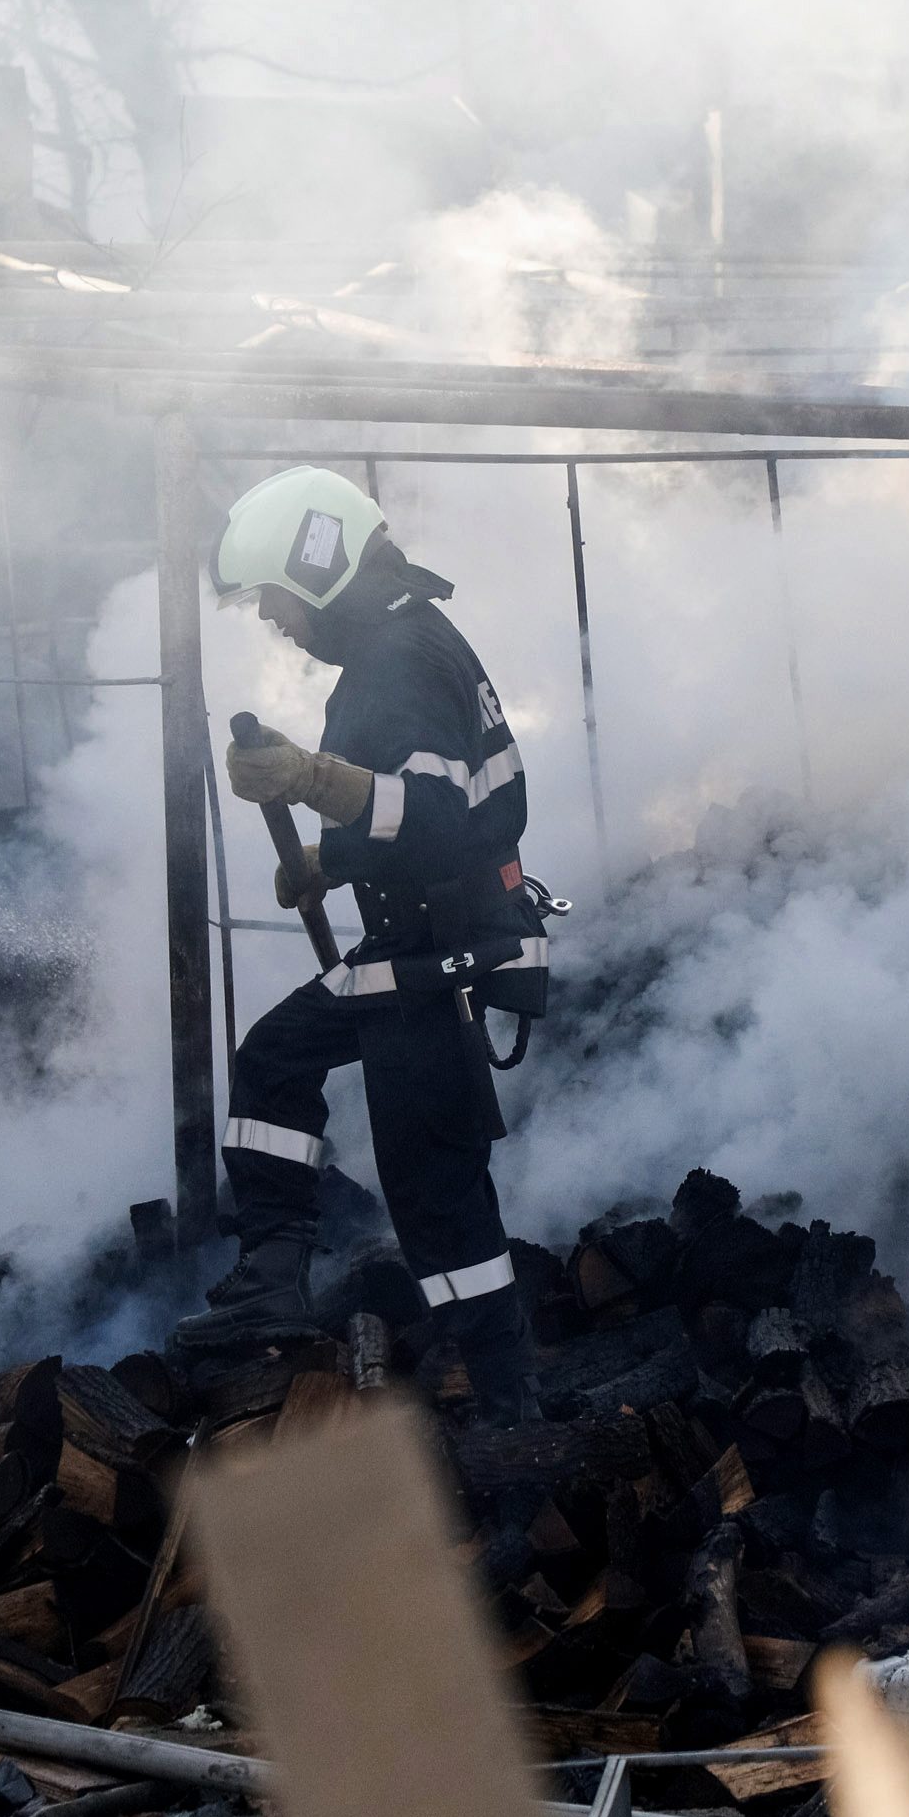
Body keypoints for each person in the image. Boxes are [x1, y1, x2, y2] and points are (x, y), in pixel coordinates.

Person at [183, 467, 552, 1415]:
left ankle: (511, 1409)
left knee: (439, 1204)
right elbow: (434, 813)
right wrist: (329, 860)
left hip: (435, 958)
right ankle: (273, 1276)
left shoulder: (398, 662)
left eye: (275, 599)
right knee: (274, 1059)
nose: (274, 620)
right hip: (420, 943)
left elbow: (433, 816)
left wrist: (309, 779)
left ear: (320, 572)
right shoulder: (405, 644)